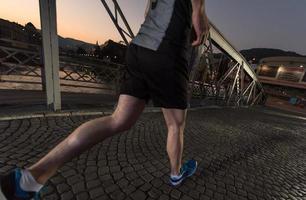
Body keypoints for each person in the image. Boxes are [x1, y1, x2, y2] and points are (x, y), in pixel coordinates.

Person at [0, 0, 209, 199]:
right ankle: (176, 174)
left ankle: (26, 181)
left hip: (138, 49)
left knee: (118, 120)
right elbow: (198, 13)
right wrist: (199, 15)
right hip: (168, 52)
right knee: (175, 125)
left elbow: (147, 13)